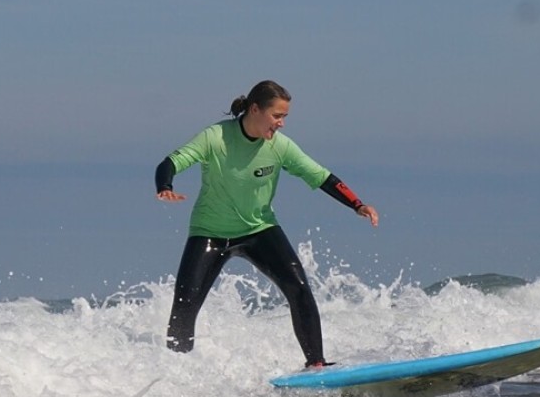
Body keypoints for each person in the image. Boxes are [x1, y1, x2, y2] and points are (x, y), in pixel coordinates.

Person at [154, 80, 379, 368]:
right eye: (277, 116)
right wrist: (165, 186)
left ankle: (317, 364)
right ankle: (176, 369)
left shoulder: (280, 147)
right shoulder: (216, 137)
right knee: (184, 306)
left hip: (259, 230)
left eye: (284, 117)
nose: (281, 124)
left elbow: (320, 176)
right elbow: (171, 162)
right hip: (209, 233)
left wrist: (358, 204)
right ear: (255, 109)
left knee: (298, 288)